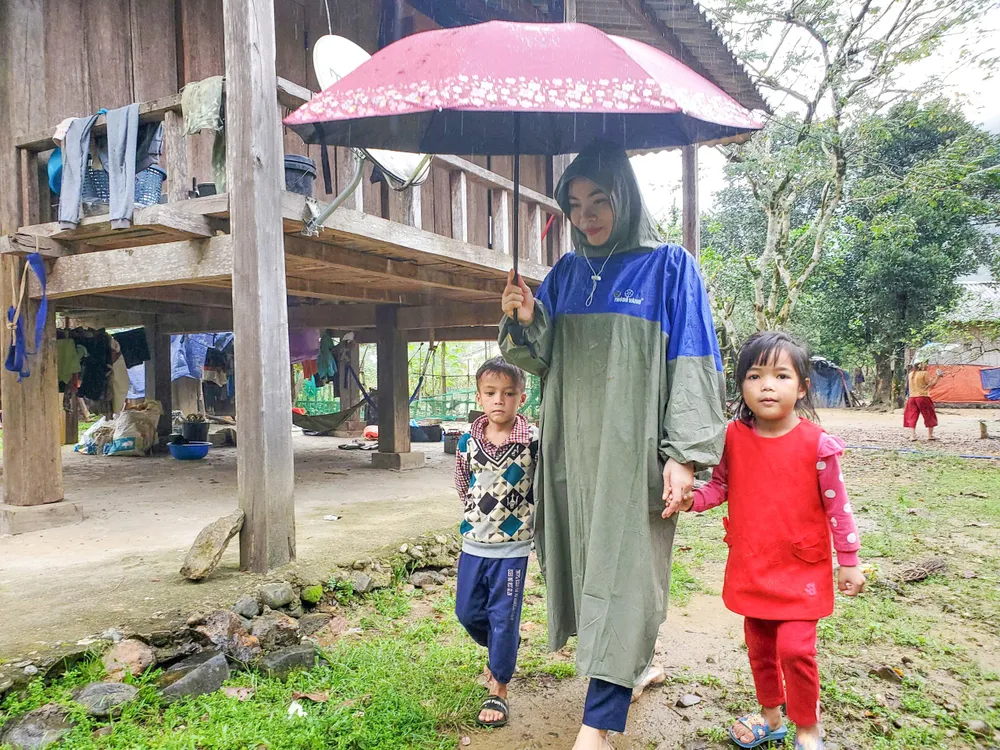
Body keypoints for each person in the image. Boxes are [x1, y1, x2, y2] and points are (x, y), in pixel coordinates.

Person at [500, 140, 725, 749]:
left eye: (600, 199)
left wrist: (684, 455)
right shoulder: (567, 274)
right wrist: (525, 319)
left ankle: (598, 725)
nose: (588, 215)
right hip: (573, 450)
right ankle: (637, 662)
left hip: (634, 457)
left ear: (626, 198)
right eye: (575, 204)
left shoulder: (670, 267)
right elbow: (537, 359)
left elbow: (695, 363)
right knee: (584, 565)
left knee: (626, 571)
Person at [666, 331, 866, 750]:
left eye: (780, 375)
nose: (767, 386)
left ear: (802, 386)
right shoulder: (733, 438)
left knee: (795, 650)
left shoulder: (818, 446)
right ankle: (772, 716)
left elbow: (839, 509)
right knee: (759, 647)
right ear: (741, 386)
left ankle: (807, 726)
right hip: (752, 565)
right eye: (755, 376)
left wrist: (849, 559)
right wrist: (691, 499)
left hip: (801, 569)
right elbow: (719, 486)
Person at [453, 357, 538, 729]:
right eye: (490, 393)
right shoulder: (467, 441)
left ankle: (499, 687)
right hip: (474, 543)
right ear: (479, 397)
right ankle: (503, 646)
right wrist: (478, 518)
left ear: (522, 397)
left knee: (504, 618)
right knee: (468, 613)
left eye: (508, 393)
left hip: (513, 548)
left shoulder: (533, 441)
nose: (499, 400)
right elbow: (462, 483)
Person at [905, 362, 941, 441]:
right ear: (922, 366)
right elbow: (931, 385)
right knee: (929, 415)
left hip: (912, 398)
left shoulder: (910, 374)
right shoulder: (924, 373)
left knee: (912, 416)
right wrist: (938, 376)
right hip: (923, 397)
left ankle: (912, 436)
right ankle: (930, 435)